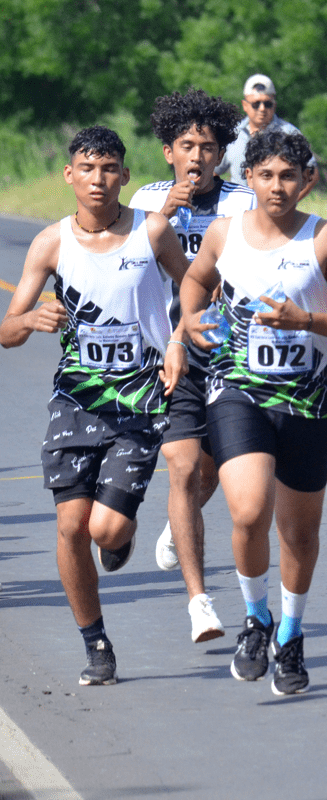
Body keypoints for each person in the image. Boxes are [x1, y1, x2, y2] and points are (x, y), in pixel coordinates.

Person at [180, 130, 327, 694]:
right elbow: (196, 277)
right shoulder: (225, 233)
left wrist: (306, 322)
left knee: (299, 533)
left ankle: (289, 632)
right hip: (238, 389)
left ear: (307, 180)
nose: (277, 186)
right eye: (265, 175)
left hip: (308, 400)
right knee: (247, 510)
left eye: (289, 176)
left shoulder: (325, 238)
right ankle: (255, 618)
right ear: (248, 178)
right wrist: (191, 320)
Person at [0, 126, 190, 685]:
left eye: (109, 169)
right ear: (69, 175)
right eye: (87, 168)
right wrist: (30, 320)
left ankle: (123, 535)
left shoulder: (151, 231)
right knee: (70, 527)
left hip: (138, 401)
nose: (98, 179)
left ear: (124, 175)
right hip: (76, 402)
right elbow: (7, 328)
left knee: (104, 531)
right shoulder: (50, 243)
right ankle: (96, 643)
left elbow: (198, 288)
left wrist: (177, 341)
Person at [129, 88, 256, 643]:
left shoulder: (241, 203)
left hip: (222, 352)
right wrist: (164, 214)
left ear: (222, 152)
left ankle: (175, 530)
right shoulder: (145, 199)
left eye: (208, 146)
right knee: (181, 468)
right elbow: (123, 260)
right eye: (187, 145)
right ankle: (199, 601)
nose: (198, 156)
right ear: (168, 152)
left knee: (208, 473)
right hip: (160, 352)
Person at [217, 74, 316, 188]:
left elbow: (312, 173)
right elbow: (214, 170)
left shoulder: (289, 133)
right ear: (245, 105)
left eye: (267, 104)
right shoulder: (232, 133)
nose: (262, 108)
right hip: (239, 205)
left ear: (274, 105)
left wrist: (289, 203)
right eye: (256, 104)